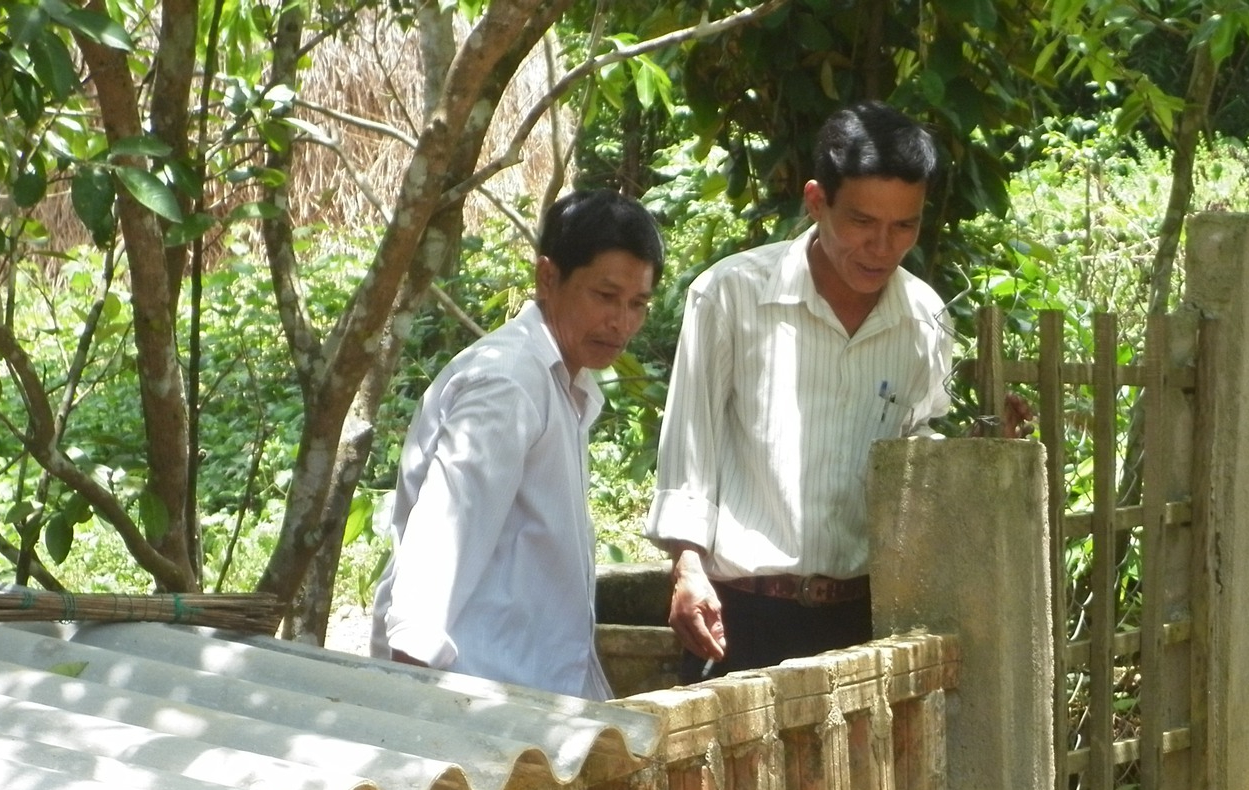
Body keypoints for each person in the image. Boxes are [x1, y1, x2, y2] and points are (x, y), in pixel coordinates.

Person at [645, 101, 955, 680]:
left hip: (864, 626)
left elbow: (925, 465)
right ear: (817, 202)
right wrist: (686, 567)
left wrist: (988, 447)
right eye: (862, 222)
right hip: (740, 617)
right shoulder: (730, 296)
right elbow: (691, 445)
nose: (882, 247)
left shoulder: (926, 320)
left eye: (904, 226)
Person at [370, 189, 661, 698]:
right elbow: (444, 534)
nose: (622, 322)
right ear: (548, 278)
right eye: (605, 296)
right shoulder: (509, 382)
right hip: (476, 699)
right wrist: (407, 703)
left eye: (637, 304)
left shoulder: (559, 384)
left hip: (523, 698)